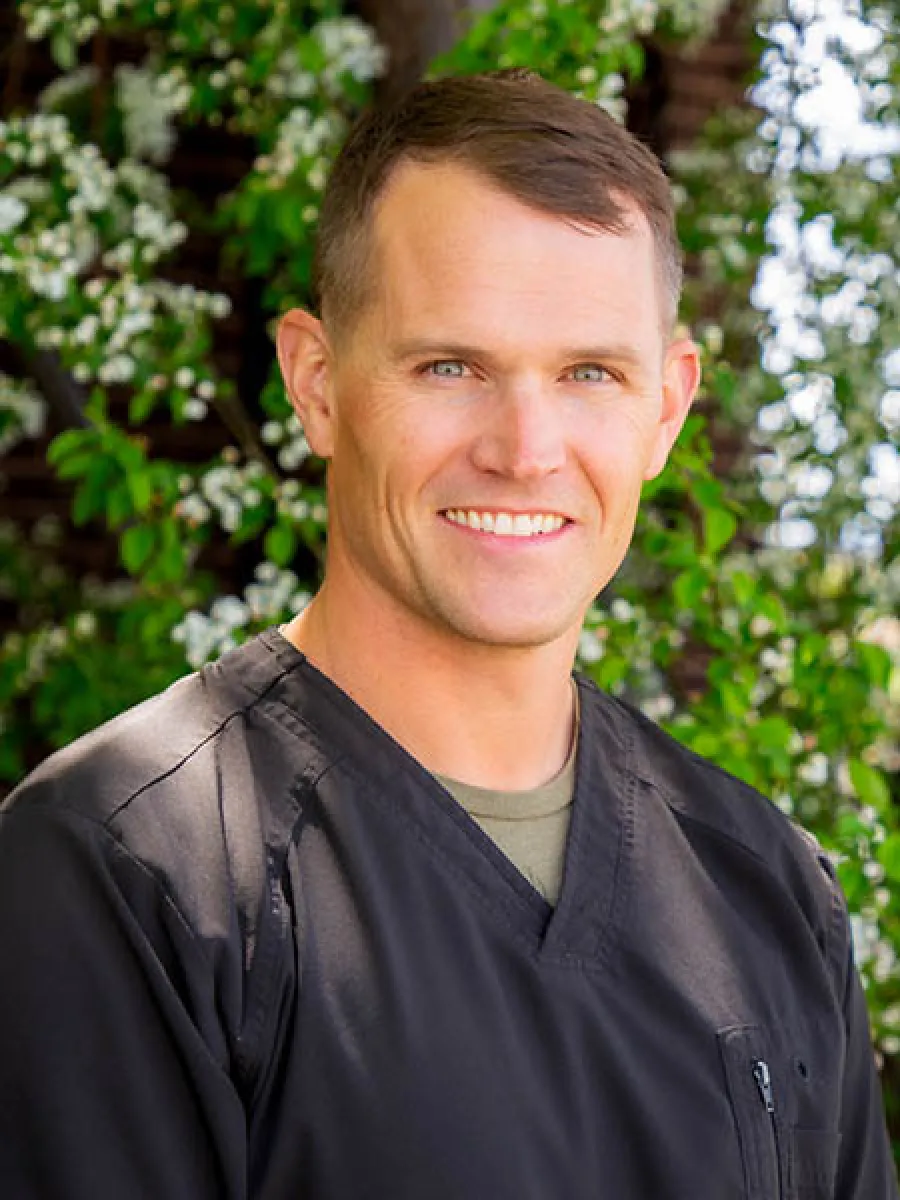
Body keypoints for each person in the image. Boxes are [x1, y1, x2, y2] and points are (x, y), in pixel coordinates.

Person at [0, 69, 895, 1200]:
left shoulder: (769, 893)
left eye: (588, 374)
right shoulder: (129, 879)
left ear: (666, 410)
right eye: (451, 367)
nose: (525, 449)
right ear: (316, 382)